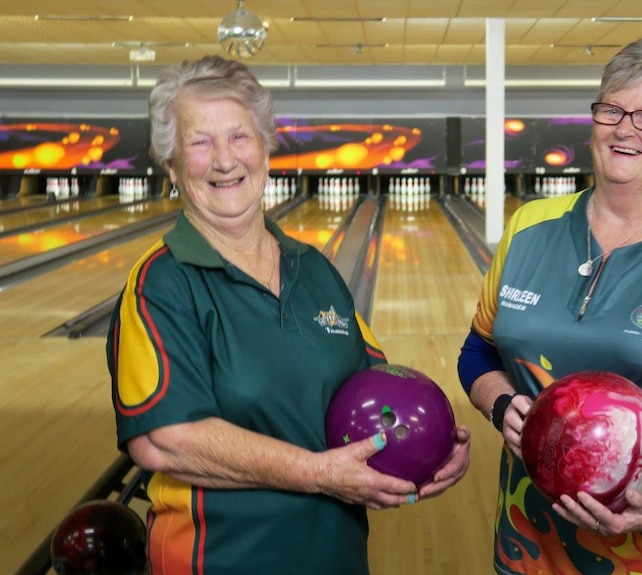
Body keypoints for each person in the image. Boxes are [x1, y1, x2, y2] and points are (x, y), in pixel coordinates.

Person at [106, 54, 470, 575]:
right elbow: (164, 440)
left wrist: (431, 447)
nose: (224, 159)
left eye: (239, 137)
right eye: (199, 142)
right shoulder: (161, 283)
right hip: (221, 560)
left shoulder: (314, 269)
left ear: (266, 149)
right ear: (171, 166)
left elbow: (376, 391)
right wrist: (319, 473)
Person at [458, 38, 642, 575]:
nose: (625, 129)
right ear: (594, 120)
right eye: (612, 109)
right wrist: (501, 405)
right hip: (529, 539)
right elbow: (477, 352)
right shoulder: (530, 226)